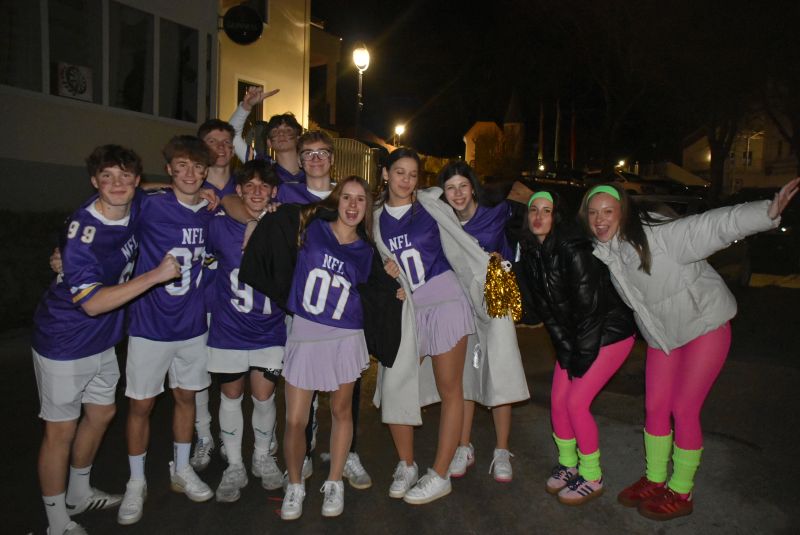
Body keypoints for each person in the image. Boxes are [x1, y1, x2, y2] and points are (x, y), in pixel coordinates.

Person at [578, 178, 800, 520]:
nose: (600, 219)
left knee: (683, 409)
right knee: (655, 407)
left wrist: (765, 212)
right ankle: (655, 479)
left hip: (704, 326)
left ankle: (681, 489)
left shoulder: (660, 235)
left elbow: (712, 226)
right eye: (593, 213)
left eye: (608, 211)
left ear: (623, 212)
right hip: (664, 336)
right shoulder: (608, 252)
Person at [31, 145, 181, 535]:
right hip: (64, 340)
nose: (117, 184)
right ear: (94, 182)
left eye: (125, 176)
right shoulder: (84, 233)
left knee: (101, 414)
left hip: (103, 339)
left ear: (136, 180)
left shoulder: (134, 201)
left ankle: (79, 493)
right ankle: (56, 522)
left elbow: (150, 189)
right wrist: (155, 276)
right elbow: (93, 304)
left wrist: (191, 187)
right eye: (107, 177)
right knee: (59, 431)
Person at [225, 131, 373, 490]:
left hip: (341, 316)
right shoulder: (289, 195)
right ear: (299, 159)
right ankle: (303, 451)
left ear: (332, 158)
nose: (316, 159)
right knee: (303, 396)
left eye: (322, 153)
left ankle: (348, 453)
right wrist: (255, 220)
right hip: (302, 311)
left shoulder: (349, 195)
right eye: (308, 153)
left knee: (344, 393)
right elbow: (234, 198)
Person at [376, 148, 512, 505]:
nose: (406, 180)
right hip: (410, 308)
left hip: (446, 298)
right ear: (386, 174)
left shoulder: (430, 204)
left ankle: (439, 474)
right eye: (400, 172)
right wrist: (387, 276)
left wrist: (492, 259)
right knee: (394, 384)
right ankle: (407, 464)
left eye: (413, 174)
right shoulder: (374, 217)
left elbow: (473, 213)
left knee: (451, 389)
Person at [117, 136, 217, 525]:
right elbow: (119, 193)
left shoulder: (208, 211)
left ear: (206, 171)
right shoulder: (151, 204)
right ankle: (136, 481)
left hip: (191, 325)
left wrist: (210, 195)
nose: (190, 173)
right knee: (141, 405)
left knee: (186, 399)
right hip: (149, 323)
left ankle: (182, 467)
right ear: (170, 168)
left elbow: (233, 204)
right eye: (182, 165)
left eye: (197, 166)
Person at [519, 190, 635, 505]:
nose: (539, 216)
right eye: (533, 210)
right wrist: (564, 349)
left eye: (547, 210)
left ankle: (592, 475)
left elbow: (589, 312)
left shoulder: (573, 250)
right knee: (558, 401)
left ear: (556, 216)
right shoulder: (532, 254)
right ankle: (569, 465)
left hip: (610, 334)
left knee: (576, 403)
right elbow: (546, 314)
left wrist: (579, 360)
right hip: (576, 337)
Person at [437, 161, 530, 483]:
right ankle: (464, 446)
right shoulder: (444, 222)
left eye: (463, 186)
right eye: (450, 188)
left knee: (500, 371)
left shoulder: (497, 211)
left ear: (473, 187)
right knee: (464, 374)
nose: (458, 193)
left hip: (496, 297)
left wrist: (510, 259)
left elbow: (532, 207)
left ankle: (502, 449)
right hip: (461, 301)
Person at [205, 160, 287, 501]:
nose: (256, 192)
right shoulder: (219, 226)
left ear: (273, 191)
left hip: (269, 329)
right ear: (238, 190)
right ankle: (235, 464)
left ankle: (262, 457)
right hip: (229, 329)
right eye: (249, 186)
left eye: (263, 186)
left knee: (264, 397)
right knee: (231, 396)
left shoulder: (284, 225)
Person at [229, 85, 305, 184]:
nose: (281, 133)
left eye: (288, 130)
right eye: (275, 131)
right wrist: (246, 106)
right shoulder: (263, 168)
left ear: (299, 138)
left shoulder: (313, 168)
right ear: (269, 142)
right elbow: (231, 136)